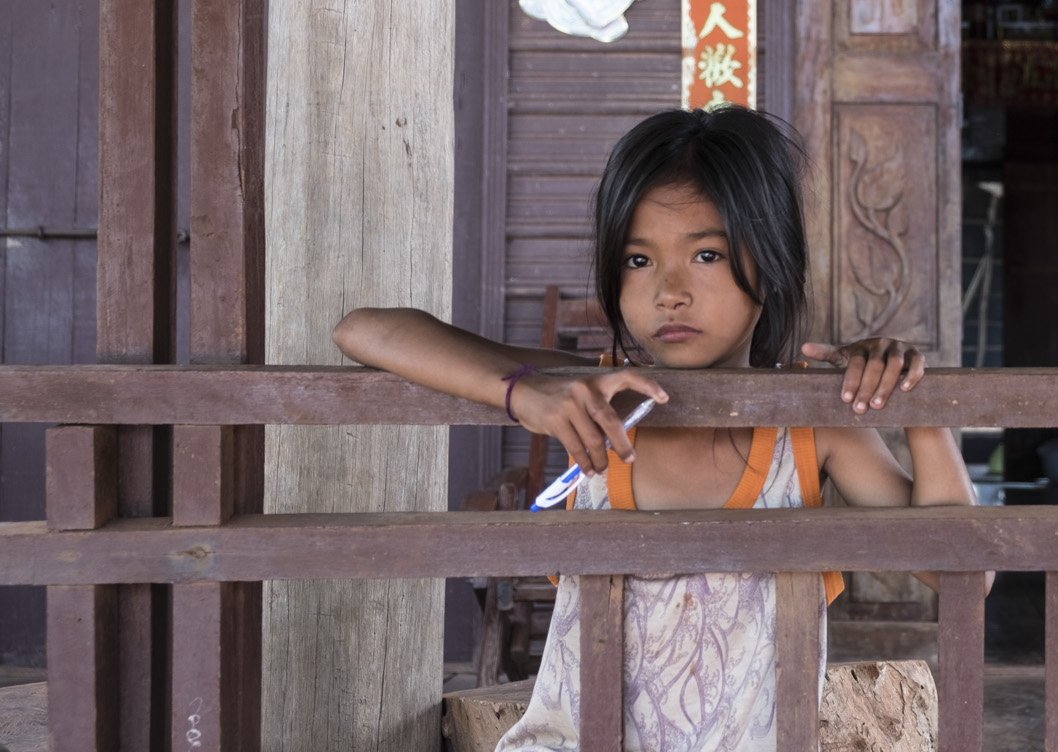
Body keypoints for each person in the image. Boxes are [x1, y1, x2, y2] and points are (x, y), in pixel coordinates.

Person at [332, 106, 981, 752]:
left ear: (773, 261)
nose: (670, 290)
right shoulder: (595, 400)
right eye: (639, 261)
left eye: (706, 254)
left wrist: (912, 407)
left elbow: (965, 577)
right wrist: (520, 390)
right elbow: (362, 330)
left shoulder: (810, 433)